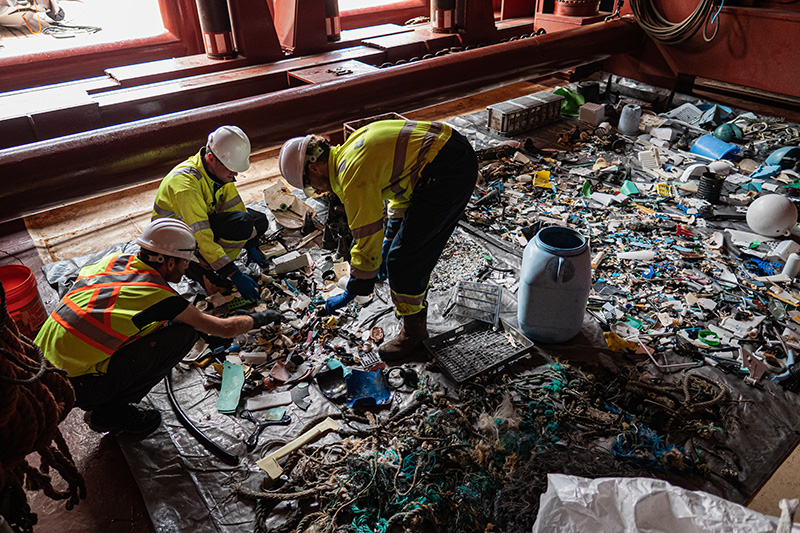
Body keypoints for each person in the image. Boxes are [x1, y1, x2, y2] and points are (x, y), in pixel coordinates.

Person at [34, 219, 283, 435]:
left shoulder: (114, 262)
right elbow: (224, 328)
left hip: (39, 363)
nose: (187, 270)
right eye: (185, 262)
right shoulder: (157, 295)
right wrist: (261, 318)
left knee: (163, 325)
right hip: (73, 386)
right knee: (185, 333)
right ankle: (112, 411)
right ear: (169, 262)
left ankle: (105, 398)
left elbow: (118, 312)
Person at [278, 119, 478, 361]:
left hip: (447, 170)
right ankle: (411, 305)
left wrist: (356, 286)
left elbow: (366, 236)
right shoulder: (350, 149)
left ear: (313, 169)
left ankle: (414, 334)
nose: (318, 192)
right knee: (401, 249)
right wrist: (390, 236)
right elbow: (400, 188)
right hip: (448, 151)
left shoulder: (351, 174)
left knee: (403, 261)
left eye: (311, 187)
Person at [152, 125, 268, 302]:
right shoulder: (185, 186)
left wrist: (252, 245)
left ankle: (212, 262)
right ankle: (204, 269)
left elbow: (235, 208)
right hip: (175, 243)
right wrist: (233, 273)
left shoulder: (218, 173)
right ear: (212, 158)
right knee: (242, 223)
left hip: (197, 226)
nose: (235, 173)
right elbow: (202, 235)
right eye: (231, 168)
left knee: (258, 220)